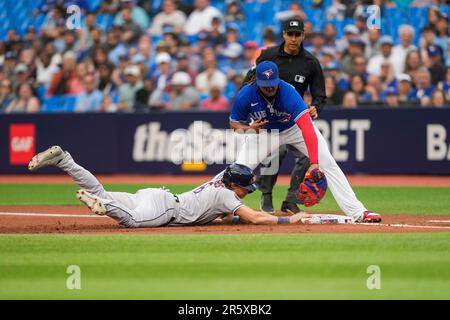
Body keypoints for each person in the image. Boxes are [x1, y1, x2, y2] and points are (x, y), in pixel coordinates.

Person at [230, 61, 380, 223]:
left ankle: (358, 212)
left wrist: (314, 163)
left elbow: (307, 127)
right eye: (265, 85)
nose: (270, 88)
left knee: (327, 163)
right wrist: (249, 129)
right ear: (256, 82)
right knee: (239, 170)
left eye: (272, 84)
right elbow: (234, 124)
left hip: (294, 129)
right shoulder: (246, 94)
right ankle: (220, 209)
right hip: (264, 132)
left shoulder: (288, 92)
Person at [28, 146, 309, 228]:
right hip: (164, 209)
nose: (249, 191)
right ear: (234, 184)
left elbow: (228, 214)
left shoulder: (221, 182)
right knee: (133, 223)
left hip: (154, 195)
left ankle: (65, 159)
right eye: (246, 188)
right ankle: (106, 208)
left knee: (100, 190)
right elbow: (257, 217)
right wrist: (290, 218)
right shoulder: (226, 194)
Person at [244, 19, 326, 215]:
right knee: (276, 153)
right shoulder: (268, 55)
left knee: (309, 156)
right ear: (284, 35)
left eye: (297, 34)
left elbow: (320, 94)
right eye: (290, 34)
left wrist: (316, 107)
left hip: (295, 120)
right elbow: (249, 82)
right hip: (269, 118)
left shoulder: (311, 62)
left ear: (303, 36)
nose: (293, 38)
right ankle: (266, 195)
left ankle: (291, 199)